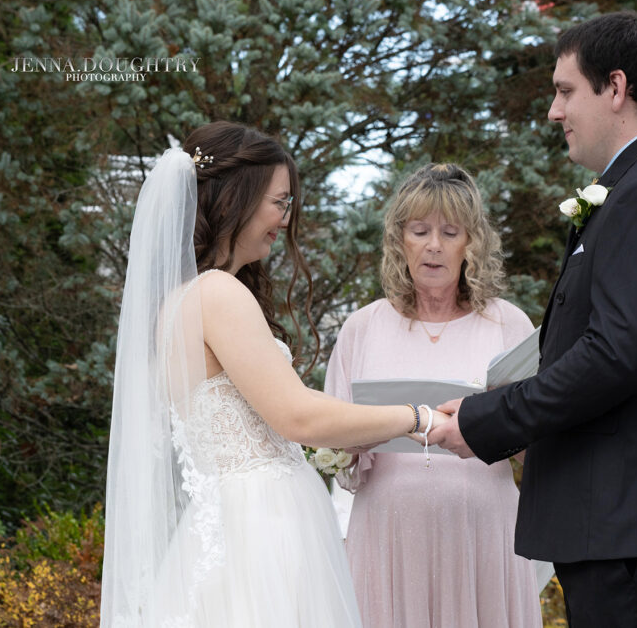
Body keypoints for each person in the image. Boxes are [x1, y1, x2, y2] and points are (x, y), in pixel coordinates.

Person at [429, 11, 637, 626]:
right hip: (627, 525)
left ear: (615, 89)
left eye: (566, 90)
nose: (553, 111)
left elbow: (616, 354)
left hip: (636, 528)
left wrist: (489, 418)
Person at [100, 121, 446, 627]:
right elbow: (296, 417)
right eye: (278, 202)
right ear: (236, 198)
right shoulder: (216, 293)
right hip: (259, 530)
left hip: (232, 523)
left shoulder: (180, 301)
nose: (284, 219)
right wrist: (418, 418)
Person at [326, 163, 543, 628]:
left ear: (472, 243)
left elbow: (543, 444)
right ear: (398, 239)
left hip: (483, 537)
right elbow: (331, 444)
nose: (433, 246)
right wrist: (352, 442)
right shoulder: (362, 327)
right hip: (388, 539)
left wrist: (498, 425)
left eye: (450, 232)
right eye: (419, 230)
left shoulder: (508, 324)